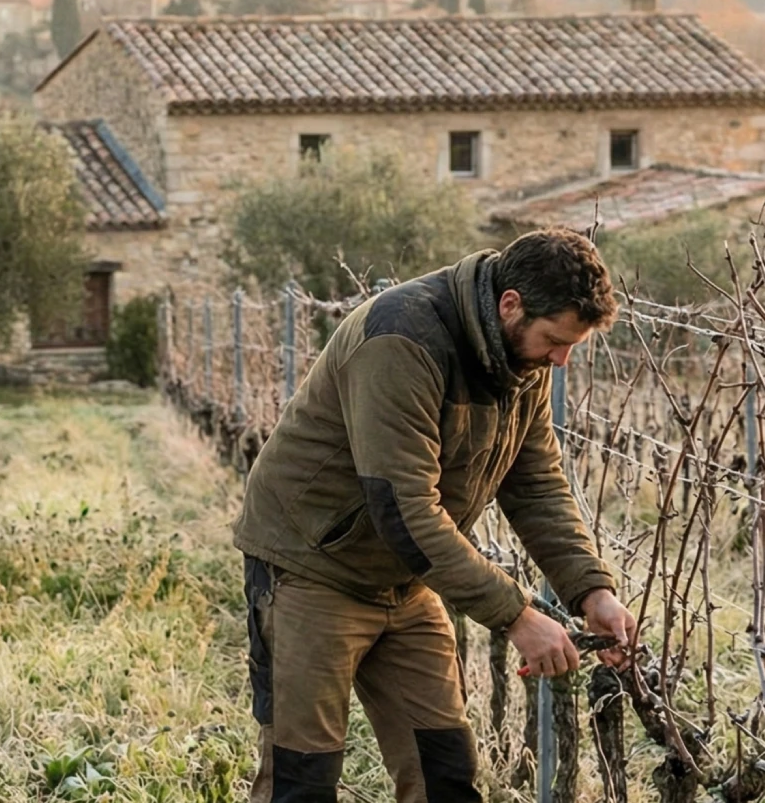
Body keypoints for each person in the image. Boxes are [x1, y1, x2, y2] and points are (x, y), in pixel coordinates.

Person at [234, 228, 637, 802]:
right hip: (310, 566)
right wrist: (518, 616)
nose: (562, 359)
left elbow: (536, 484)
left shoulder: (521, 361)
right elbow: (403, 508)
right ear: (510, 304)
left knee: (444, 772)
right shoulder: (401, 340)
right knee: (304, 778)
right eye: (555, 340)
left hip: (405, 574)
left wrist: (592, 592)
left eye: (572, 345)